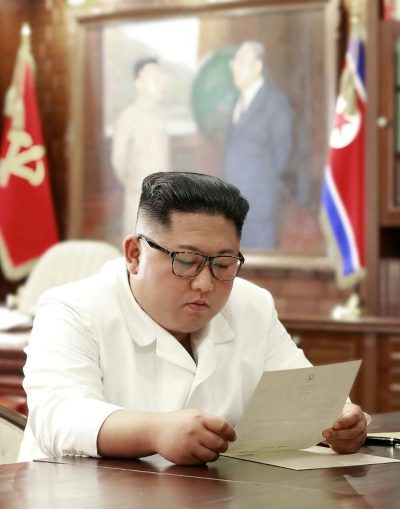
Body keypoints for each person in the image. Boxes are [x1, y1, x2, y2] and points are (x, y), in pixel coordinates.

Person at [18, 172, 367, 465]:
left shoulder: (251, 305)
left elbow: (303, 391)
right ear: (135, 254)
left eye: (224, 264)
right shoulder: (71, 309)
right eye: (185, 261)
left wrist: (340, 419)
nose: (205, 283)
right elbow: (59, 416)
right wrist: (156, 431)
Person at [224, 40, 292, 249]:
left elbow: (282, 153)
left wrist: (261, 187)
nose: (235, 68)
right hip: (234, 206)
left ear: (257, 66)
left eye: (241, 62)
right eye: (234, 62)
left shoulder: (274, 102)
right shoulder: (236, 103)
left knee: (260, 263)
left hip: (260, 208)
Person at [111, 57, 170, 238]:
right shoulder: (128, 117)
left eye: (160, 76)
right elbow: (118, 161)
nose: (160, 82)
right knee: (137, 247)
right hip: (139, 199)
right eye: (153, 77)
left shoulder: (162, 114)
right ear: (138, 84)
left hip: (164, 197)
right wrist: (135, 185)